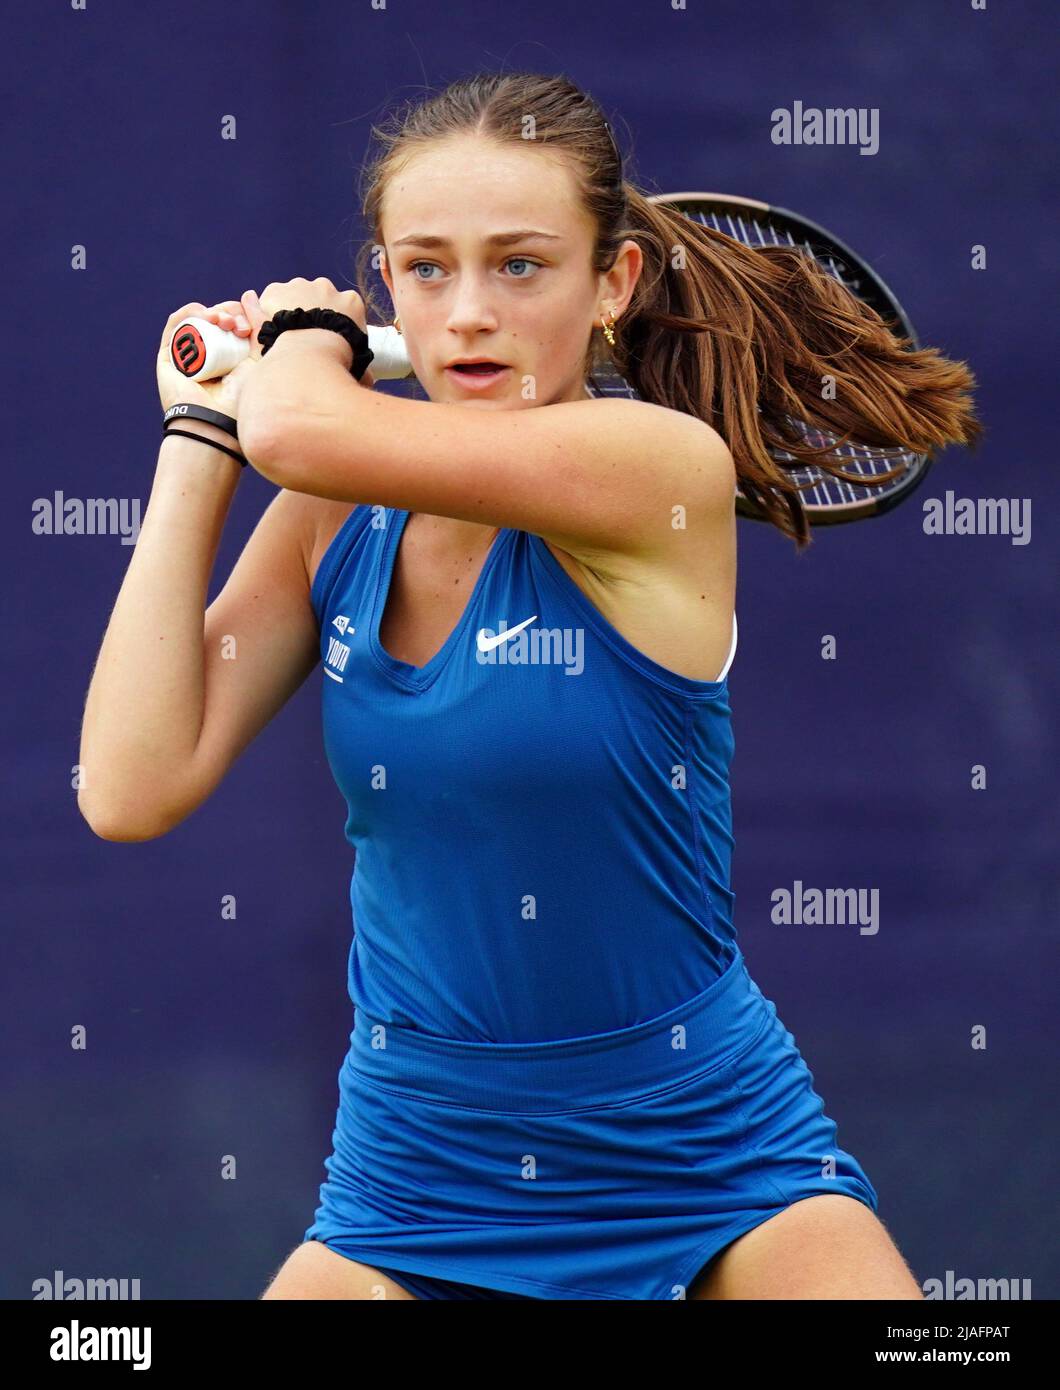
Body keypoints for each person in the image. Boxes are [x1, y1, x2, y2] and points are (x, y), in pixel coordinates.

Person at [79, 71, 981, 1300]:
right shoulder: (334, 505)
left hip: (710, 1156)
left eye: (519, 266)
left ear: (610, 285)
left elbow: (297, 424)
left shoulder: (655, 466)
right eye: (427, 269)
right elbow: (129, 785)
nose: (465, 317)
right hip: (415, 1173)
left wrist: (294, 347)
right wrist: (197, 434)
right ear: (386, 281)